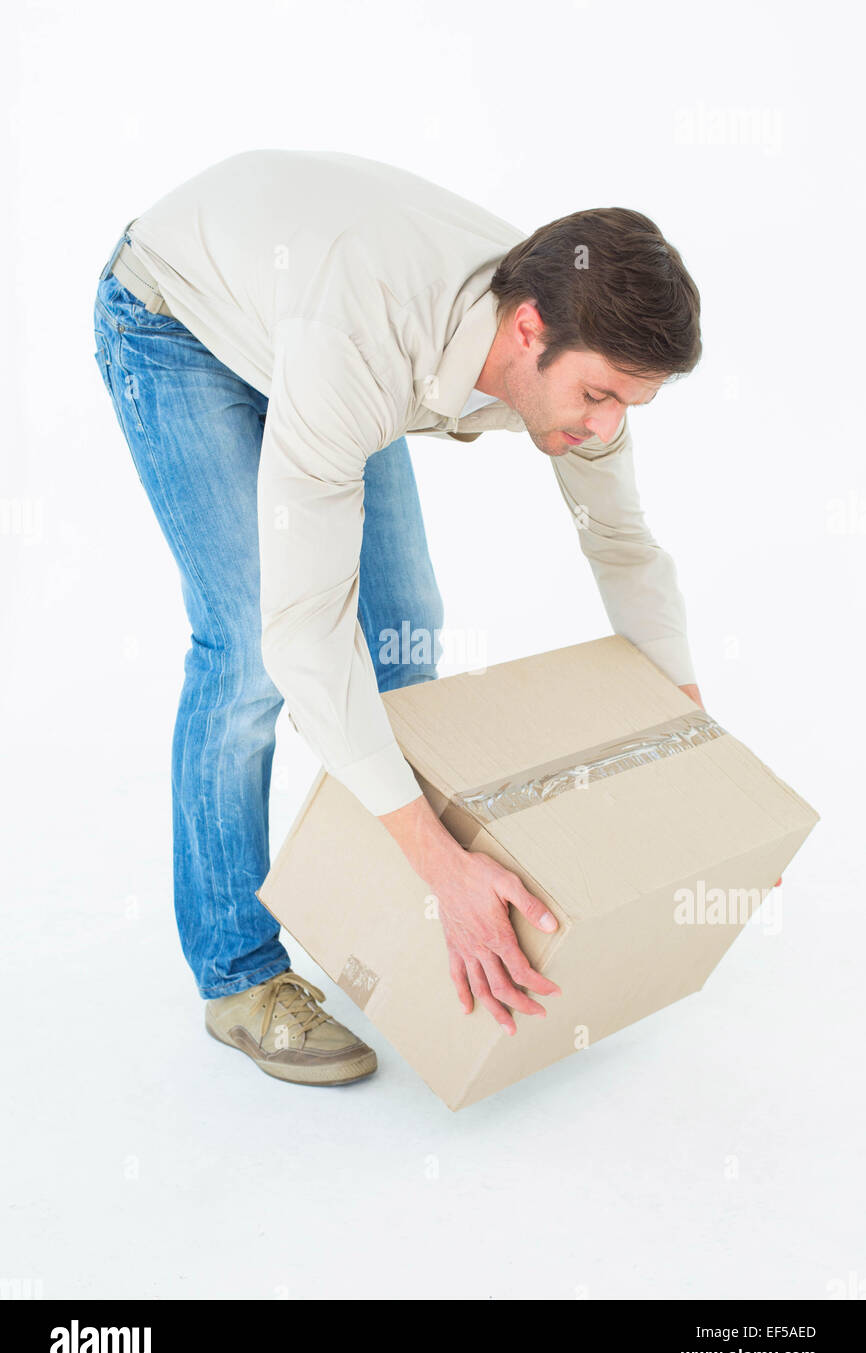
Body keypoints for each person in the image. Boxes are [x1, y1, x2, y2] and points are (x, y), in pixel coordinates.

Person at [92, 149, 704, 1089]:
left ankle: (388, 904)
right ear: (528, 329)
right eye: (597, 396)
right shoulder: (368, 346)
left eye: (632, 404)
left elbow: (620, 544)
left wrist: (692, 736)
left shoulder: (574, 346)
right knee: (251, 649)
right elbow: (303, 632)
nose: (606, 428)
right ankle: (238, 977)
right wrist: (444, 862)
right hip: (178, 318)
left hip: (305, 312)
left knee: (405, 623)